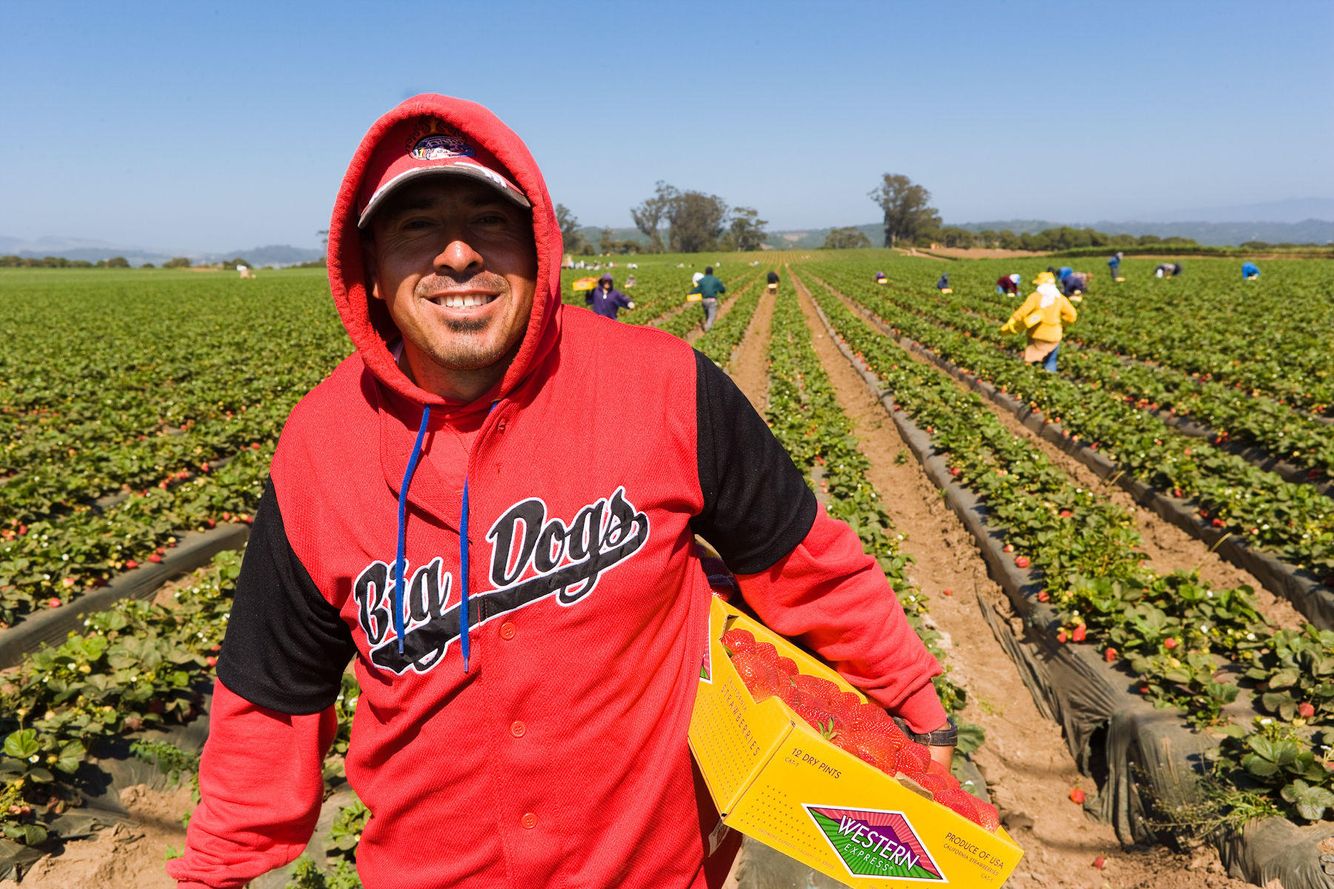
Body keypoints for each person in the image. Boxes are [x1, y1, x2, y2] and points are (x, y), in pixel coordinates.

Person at [166, 94, 954, 889]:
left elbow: (800, 557)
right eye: (416, 227)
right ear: (369, 268)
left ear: (540, 247)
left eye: (490, 221)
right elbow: (271, 700)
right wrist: (215, 872)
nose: (458, 255)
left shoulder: (665, 384)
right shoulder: (320, 445)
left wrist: (913, 702)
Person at [1000, 270, 1078, 372]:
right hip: (1054, 335)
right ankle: (1049, 380)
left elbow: (1022, 312)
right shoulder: (1060, 298)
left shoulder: (1035, 297)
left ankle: (1030, 379)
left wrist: (1012, 322)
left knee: (1032, 360)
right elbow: (1072, 315)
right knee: (1051, 361)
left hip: (1037, 334)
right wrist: (1062, 323)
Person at [690, 265, 726, 332]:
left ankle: (708, 325)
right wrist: (722, 291)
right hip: (712, 300)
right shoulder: (715, 280)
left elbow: (697, 289)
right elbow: (722, 289)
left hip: (704, 300)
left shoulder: (702, 280)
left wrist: (690, 294)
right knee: (711, 316)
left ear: (705, 272)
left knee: (707, 315)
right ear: (712, 272)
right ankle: (707, 328)